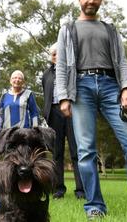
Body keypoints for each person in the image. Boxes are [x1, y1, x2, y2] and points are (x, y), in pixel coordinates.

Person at [55, 0, 127, 218]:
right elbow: (62, 65)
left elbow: (122, 61)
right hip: (80, 87)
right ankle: (94, 206)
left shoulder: (110, 30)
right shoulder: (68, 29)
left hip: (111, 85)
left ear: (101, 1)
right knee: (85, 151)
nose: (92, 1)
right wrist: (63, 97)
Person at [42, 44, 85, 199]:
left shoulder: (71, 71)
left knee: (76, 151)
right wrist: (46, 114)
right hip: (53, 114)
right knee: (56, 153)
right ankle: (58, 189)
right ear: (51, 57)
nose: (56, 56)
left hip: (71, 112)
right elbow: (46, 95)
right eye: (53, 54)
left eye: (59, 54)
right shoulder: (46, 74)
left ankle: (81, 190)